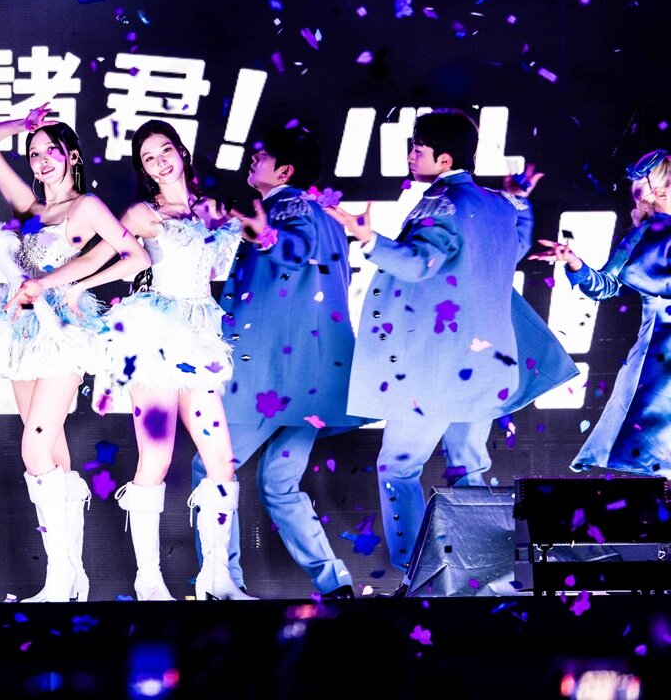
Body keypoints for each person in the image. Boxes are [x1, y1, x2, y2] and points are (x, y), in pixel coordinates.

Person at [325, 108, 576, 591]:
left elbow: (419, 262)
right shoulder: (501, 204)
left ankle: (417, 574)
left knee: (398, 467)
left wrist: (367, 238)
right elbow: (517, 244)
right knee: (468, 469)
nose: (410, 155)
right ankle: (481, 580)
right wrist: (521, 199)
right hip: (487, 368)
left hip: (436, 369)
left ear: (443, 159)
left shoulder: (442, 204)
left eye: (417, 148)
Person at [58, 119, 252, 601]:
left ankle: (217, 578)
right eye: (148, 158)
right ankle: (149, 581)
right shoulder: (144, 214)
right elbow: (104, 256)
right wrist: (72, 287)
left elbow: (226, 262)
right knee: (157, 457)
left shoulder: (213, 209)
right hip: (155, 338)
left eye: (165, 151)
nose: (160, 162)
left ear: (181, 152)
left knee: (221, 461)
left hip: (199, 341)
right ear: (143, 169)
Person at [0, 104, 147, 602]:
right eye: (34, 152)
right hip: (21, 330)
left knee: (34, 450)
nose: (42, 158)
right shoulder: (28, 208)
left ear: (72, 156)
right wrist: (23, 125)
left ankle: (61, 577)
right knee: (51, 452)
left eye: (51, 149)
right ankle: (69, 576)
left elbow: (134, 256)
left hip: (63, 331)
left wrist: (75, 285)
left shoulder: (85, 206)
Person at [190, 127, 365, 600]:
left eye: (262, 154)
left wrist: (262, 234)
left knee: (211, 468)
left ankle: (222, 584)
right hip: (315, 383)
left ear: (285, 171)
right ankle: (335, 583)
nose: (253, 159)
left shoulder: (288, 207)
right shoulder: (326, 216)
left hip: (271, 377)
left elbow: (291, 249)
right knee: (279, 483)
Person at [530, 149, 671, 476]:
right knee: (656, 448)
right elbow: (606, 285)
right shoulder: (643, 237)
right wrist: (575, 263)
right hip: (660, 357)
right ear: (659, 189)